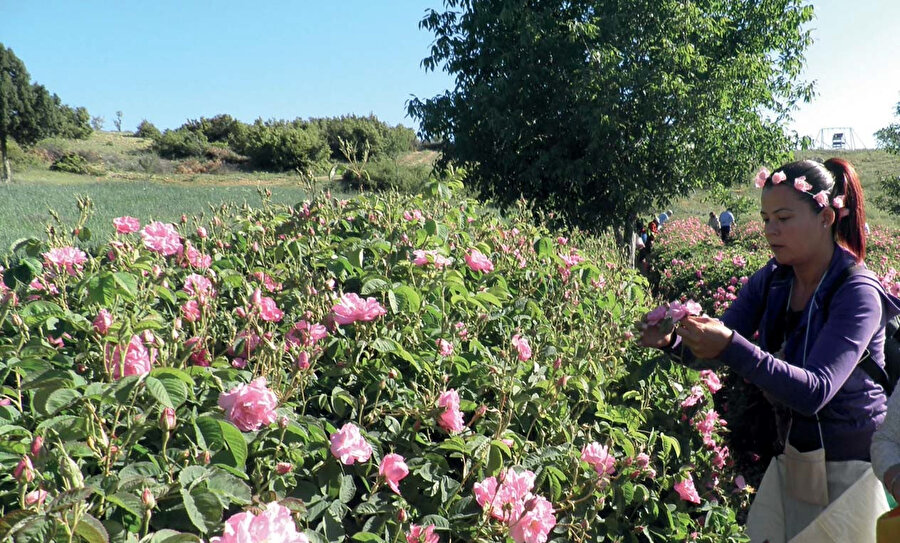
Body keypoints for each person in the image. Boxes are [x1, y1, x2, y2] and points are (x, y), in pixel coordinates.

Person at [639, 158, 900, 542]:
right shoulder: (775, 279)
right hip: (796, 462)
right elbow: (714, 349)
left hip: (852, 472)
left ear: (826, 217)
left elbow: (814, 391)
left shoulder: (856, 291)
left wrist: (730, 345)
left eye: (783, 218)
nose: (770, 231)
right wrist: (673, 342)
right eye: (765, 220)